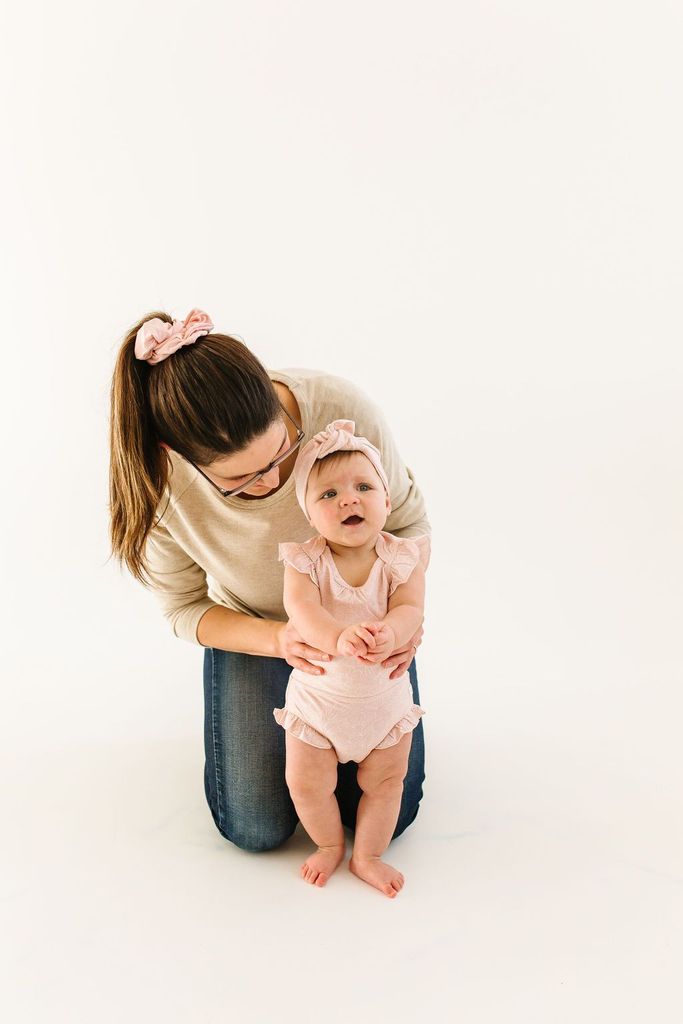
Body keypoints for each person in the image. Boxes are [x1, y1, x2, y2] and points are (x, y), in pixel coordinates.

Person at [109, 307, 431, 856]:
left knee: (384, 817)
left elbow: (408, 525)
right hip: (257, 630)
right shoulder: (157, 483)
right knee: (255, 827)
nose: (276, 479)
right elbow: (184, 609)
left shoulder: (340, 408)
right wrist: (280, 640)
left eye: (283, 452)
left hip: (363, 632)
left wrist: (404, 619)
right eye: (244, 480)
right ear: (175, 455)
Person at [274, 420, 430, 897]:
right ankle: (328, 844)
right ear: (309, 513)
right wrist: (338, 636)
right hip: (319, 707)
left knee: (388, 783)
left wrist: (393, 631)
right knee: (306, 783)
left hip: (383, 707)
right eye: (329, 494)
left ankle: (368, 856)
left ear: (387, 501)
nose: (349, 499)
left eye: (364, 487)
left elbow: (411, 609)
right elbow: (302, 612)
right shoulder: (306, 561)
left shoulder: (401, 558)